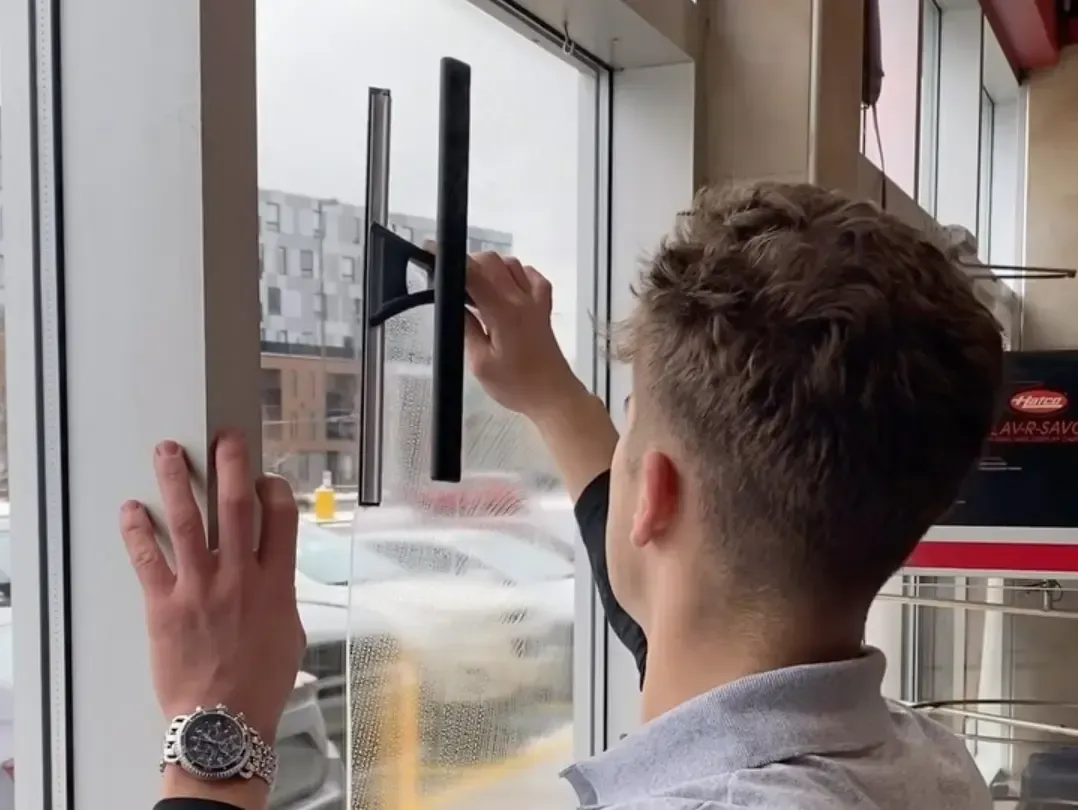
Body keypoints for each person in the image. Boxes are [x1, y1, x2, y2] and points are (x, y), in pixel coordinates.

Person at [461, 182, 1000, 808]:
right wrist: (553, 399)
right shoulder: (934, 764)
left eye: (629, 423)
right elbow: (661, 590)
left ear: (654, 496)